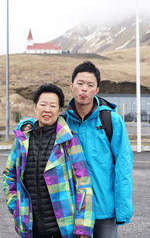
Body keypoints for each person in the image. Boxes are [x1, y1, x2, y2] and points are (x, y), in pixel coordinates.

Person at [3, 83, 95, 238]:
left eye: (53, 105)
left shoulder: (69, 140)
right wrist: (16, 206)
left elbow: (83, 184)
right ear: (35, 107)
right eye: (43, 104)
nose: (47, 109)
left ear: (59, 110)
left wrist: (83, 225)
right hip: (31, 227)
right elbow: (9, 175)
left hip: (64, 228)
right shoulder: (22, 140)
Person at [64, 61, 133, 238]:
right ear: (71, 87)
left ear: (97, 90)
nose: (84, 89)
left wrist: (122, 208)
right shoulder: (61, 122)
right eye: (80, 84)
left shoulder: (112, 120)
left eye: (90, 85)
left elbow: (123, 165)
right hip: (73, 209)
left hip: (104, 209)